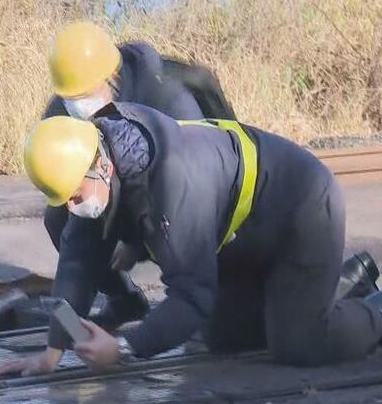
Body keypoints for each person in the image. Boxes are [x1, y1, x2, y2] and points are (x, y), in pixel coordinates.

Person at [0, 104, 382, 377]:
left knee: (299, 344)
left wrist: (130, 348)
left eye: (76, 193)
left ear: (101, 164)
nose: (75, 205)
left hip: (300, 213)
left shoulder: (173, 185)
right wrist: (52, 350)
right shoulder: (104, 161)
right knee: (222, 339)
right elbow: (79, 255)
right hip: (240, 232)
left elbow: (191, 295)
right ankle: (342, 284)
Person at [41, 21, 238, 329]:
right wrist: (62, 334)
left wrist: (137, 244)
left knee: (219, 332)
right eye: (70, 96)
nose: (77, 104)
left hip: (189, 205)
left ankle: (200, 297)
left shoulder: (168, 99)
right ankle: (125, 300)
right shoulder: (63, 109)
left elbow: (197, 190)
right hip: (121, 198)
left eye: (86, 93)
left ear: (113, 77)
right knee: (59, 217)